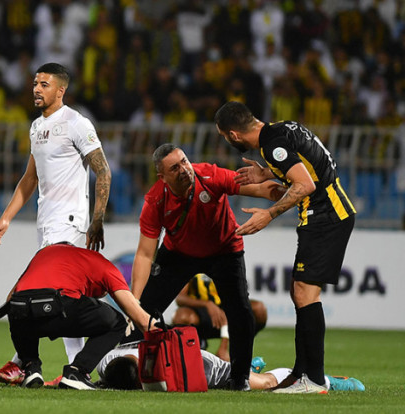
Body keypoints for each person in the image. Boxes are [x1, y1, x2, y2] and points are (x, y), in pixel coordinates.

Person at [215, 101, 356, 394]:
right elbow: (308, 163)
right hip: (327, 213)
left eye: (224, 136)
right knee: (299, 291)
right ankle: (300, 373)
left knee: (305, 293)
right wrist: (267, 174)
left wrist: (269, 214)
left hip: (326, 215)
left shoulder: (271, 145)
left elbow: (305, 185)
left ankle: (313, 379)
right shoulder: (281, 129)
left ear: (233, 135)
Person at [0, 63, 112, 387]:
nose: (37, 89)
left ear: (61, 90)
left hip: (69, 222)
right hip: (47, 222)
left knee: (48, 293)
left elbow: (103, 170)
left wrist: (97, 220)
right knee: (60, 294)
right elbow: (30, 178)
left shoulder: (76, 123)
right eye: (35, 83)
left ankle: (27, 363)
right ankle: (67, 368)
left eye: (44, 84)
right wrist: (6, 218)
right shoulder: (36, 127)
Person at [129, 143, 286, 391]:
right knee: (144, 311)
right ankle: (126, 371)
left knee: (241, 311)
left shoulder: (210, 175)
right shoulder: (155, 200)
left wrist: (286, 192)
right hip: (179, 253)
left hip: (224, 250)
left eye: (184, 161)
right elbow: (145, 254)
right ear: (163, 177)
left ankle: (240, 378)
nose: (184, 169)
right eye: (174, 168)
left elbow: (257, 188)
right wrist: (134, 302)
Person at [0, 242, 156, 390]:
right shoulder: (106, 267)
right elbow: (140, 318)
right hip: (59, 304)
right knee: (117, 322)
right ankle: (77, 372)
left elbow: (10, 299)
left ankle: (31, 368)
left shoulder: (44, 253)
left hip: (19, 311)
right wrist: (162, 335)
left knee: (22, 307)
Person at [96, 343, 366, 392]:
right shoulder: (105, 361)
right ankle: (245, 366)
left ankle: (325, 381)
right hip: (179, 357)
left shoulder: (153, 377)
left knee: (264, 384)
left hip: (198, 363)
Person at [172, 273, 268, 361]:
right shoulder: (190, 262)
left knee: (259, 310)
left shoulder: (228, 263)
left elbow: (236, 298)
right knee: (182, 317)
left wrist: (223, 347)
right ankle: (196, 345)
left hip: (225, 311)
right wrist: (207, 304)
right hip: (198, 312)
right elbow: (180, 298)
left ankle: (239, 349)